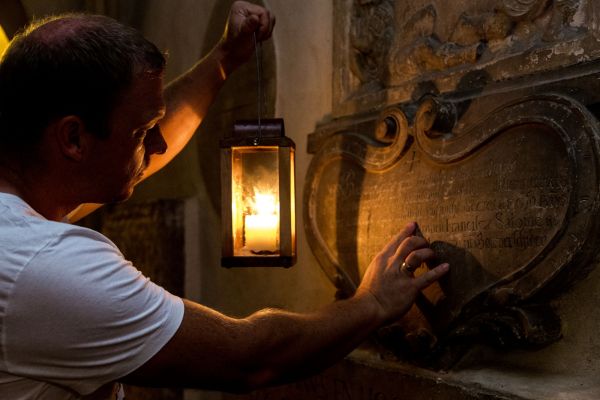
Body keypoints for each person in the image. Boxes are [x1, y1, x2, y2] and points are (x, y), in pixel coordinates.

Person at [0, 2, 449, 399]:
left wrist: (221, 64)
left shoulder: (21, 208)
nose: (156, 147)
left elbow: (131, 158)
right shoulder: (46, 266)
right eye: (142, 133)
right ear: (74, 137)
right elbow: (248, 357)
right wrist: (371, 302)